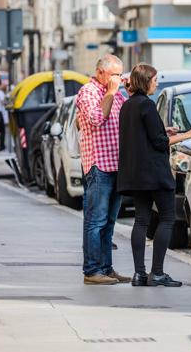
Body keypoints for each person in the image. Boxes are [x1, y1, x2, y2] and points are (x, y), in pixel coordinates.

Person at [117, 63, 191, 287]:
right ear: (146, 81)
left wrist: (165, 130)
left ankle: (139, 274)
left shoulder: (128, 106)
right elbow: (159, 143)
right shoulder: (147, 105)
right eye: (154, 79)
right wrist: (187, 134)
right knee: (167, 218)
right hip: (155, 173)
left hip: (136, 175)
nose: (157, 83)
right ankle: (158, 273)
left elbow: (143, 135)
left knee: (141, 221)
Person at [76, 54, 131, 285]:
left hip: (117, 165)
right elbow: (98, 118)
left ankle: (106, 268)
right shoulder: (88, 92)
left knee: (109, 223)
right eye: (114, 75)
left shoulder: (118, 95)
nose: (117, 79)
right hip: (98, 166)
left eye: (120, 74)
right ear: (100, 73)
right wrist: (110, 92)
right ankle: (92, 271)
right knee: (95, 221)